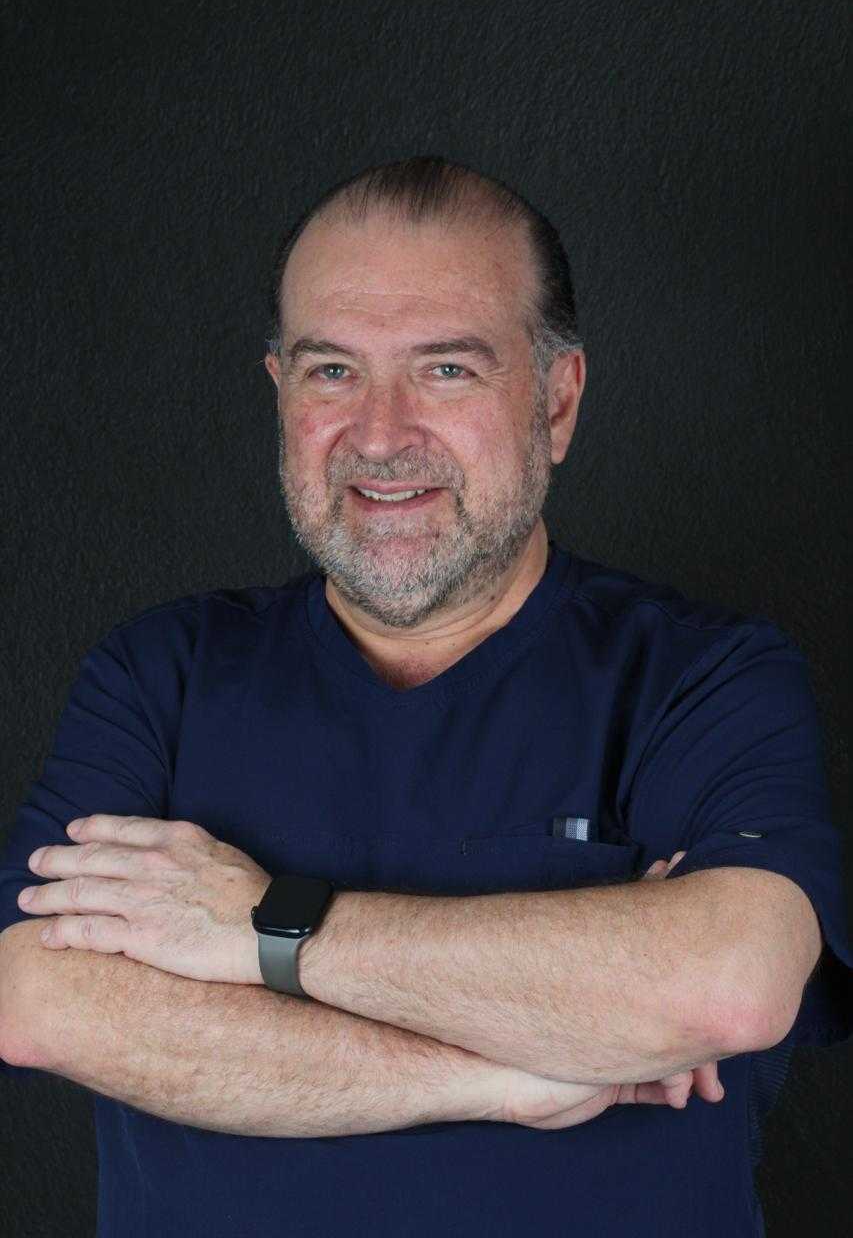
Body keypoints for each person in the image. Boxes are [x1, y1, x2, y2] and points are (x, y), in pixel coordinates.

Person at [1, 155, 850, 1238]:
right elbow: (42, 1003)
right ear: (279, 390)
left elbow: (727, 985)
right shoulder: (159, 674)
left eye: (446, 370)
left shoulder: (701, 675)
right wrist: (508, 1070)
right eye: (331, 372)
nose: (380, 434)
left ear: (555, 401)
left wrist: (259, 927)